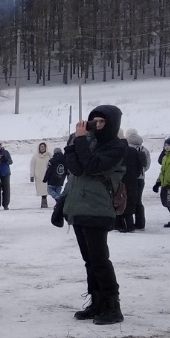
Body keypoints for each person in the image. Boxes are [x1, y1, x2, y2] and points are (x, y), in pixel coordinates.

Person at [59, 106, 127, 325]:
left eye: (101, 122)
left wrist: (79, 142)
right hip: (80, 208)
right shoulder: (88, 143)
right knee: (89, 261)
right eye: (93, 121)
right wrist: (73, 145)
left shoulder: (116, 147)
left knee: (99, 260)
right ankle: (97, 302)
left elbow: (91, 166)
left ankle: (112, 306)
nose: (96, 125)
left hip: (98, 209)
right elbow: (76, 172)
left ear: (112, 124)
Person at [119, 129, 149, 231]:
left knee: (124, 200)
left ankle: (125, 224)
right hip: (139, 178)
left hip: (127, 178)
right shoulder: (143, 148)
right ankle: (140, 223)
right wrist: (140, 172)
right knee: (137, 201)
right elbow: (146, 164)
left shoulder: (126, 148)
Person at [29, 142, 50, 209]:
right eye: (41, 147)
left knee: (47, 189)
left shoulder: (49, 155)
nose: (42, 148)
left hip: (47, 175)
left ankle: (45, 202)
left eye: (44, 147)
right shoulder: (35, 156)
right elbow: (32, 166)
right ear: (39, 148)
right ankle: (44, 202)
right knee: (41, 190)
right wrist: (32, 175)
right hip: (39, 176)